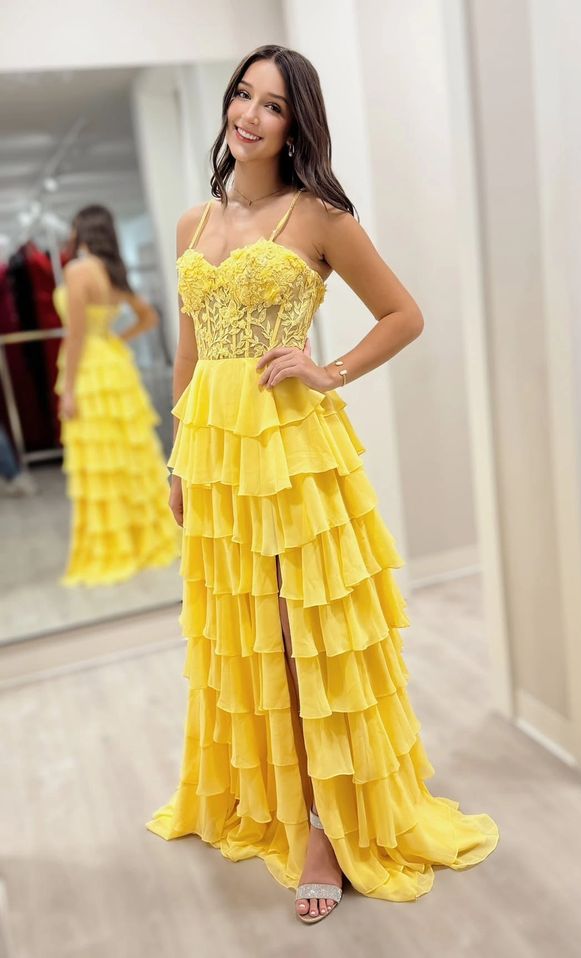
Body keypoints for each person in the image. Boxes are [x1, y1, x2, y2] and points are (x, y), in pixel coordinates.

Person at [146, 45, 499, 924]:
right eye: (243, 94)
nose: (250, 113)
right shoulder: (194, 219)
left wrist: (328, 368)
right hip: (219, 454)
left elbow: (404, 314)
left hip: (292, 447)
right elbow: (189, 352)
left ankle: (325, 829)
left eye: (272, 104)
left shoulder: (319, 215)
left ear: (295, 123)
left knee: (309, 638)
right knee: (247, 635)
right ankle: (273, 794)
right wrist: (178, 455)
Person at [53, 204, 179, 586]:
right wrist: (114, 340)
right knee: (127, 454)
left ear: (81, 231)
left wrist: (69, 389)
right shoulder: (112, 273)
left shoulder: (77, 270)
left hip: (91, 369)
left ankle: (118, 544)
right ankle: (141, 539)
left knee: (101, 457)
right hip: (114, 364)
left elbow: (75, 335)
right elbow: (149, 317)